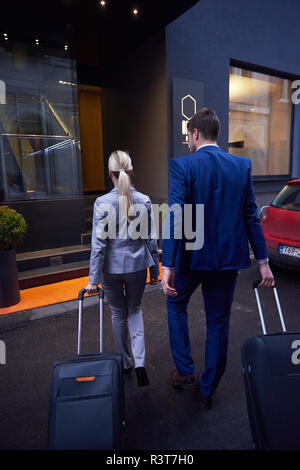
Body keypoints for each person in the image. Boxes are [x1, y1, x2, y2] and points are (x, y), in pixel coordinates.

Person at [161, 108, 274, 410]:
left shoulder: (181, 166)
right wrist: (262, 259)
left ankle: (185, 371)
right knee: (219, 322)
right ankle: (207, 387)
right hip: (226, 260)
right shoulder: (241, 166)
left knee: (175, 303)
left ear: (195, 134)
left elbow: (175, 217)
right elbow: (251, 215)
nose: (187, 139)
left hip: (190, 258)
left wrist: (168, 265)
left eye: (188, 135)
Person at [86, 150, 159, 387]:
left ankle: (125, 364)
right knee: (135, 311)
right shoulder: (145, 200)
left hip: (111, 269)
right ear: (131, 171)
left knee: (118, 314)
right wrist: (155, 270)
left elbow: (98, 246)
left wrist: (93, 280)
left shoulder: (102, 203)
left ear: (110, 174)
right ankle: (140, 364)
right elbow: (151, 240)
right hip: (138, 266)